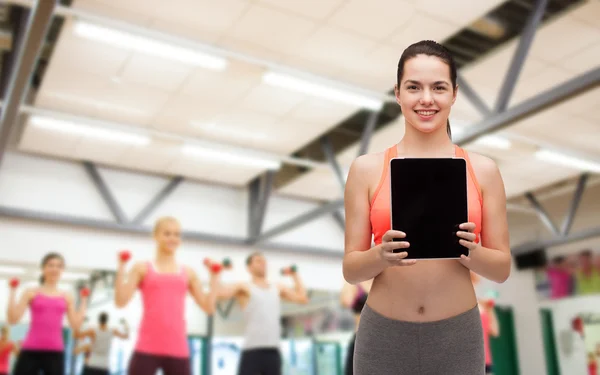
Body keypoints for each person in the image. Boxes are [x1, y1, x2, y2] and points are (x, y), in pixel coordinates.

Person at [343, 40, 511, 375]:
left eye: (438, 87)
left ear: (454, 93)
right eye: (414, 87)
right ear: (398, 93)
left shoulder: (484, 170)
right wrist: (381, 255)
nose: (426, 99)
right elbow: (351, 269)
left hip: (456, 337)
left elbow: (502, 268)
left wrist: (472, 251)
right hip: (383, 337)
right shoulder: (366, 169)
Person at [114, 216, 219, 375]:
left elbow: (209, 308)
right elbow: (120, 301)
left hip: (177, 349)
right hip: (147, 347)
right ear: (155, 236)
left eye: (177, 235)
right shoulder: (142, 268)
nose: (172, 238)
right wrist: (121, 267)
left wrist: (214, 277)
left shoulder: (188, 273)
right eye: (167, 233)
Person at [216, 252, 309, 375]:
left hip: (273, 352)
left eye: (264, 261)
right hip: (252, 351)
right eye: (258, 261)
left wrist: (295, 275)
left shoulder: (277, 287)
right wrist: (218, 271)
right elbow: (219, 294)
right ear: (249, 268)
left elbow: (302, 298)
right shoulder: (244, 287)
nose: (263, 263)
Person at [7, 252, 88, 375]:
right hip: (30, 349)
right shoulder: (31, 292)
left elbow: (76, 325)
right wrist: (12, 292)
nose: (54, 269)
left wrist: (83, 301)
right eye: (50, 265)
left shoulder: (66, 296)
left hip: (55, 351)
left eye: (59, 266)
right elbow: (13, 319)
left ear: (62, 270)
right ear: (43, 268)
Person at [339, 280, 372, 375]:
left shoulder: (384, 280)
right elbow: (345, 301)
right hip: (361, 337)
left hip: (383, 337)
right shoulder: (356, 282)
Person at [471, 272, 500, 374]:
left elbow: (495, 331)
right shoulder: (461, 304)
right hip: (467, 361)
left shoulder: (484, 305)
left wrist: (490, 309)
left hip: (485, 362)